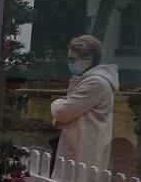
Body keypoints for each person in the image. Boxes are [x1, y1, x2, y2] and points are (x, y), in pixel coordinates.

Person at [51, 34, 118, 171]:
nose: (69, 63)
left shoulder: (95, 83)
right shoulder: (87, 80)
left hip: (84, 151)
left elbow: (62, 112)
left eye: (72, 59)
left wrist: (56, 102)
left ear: (88, 59)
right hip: (80, 146)